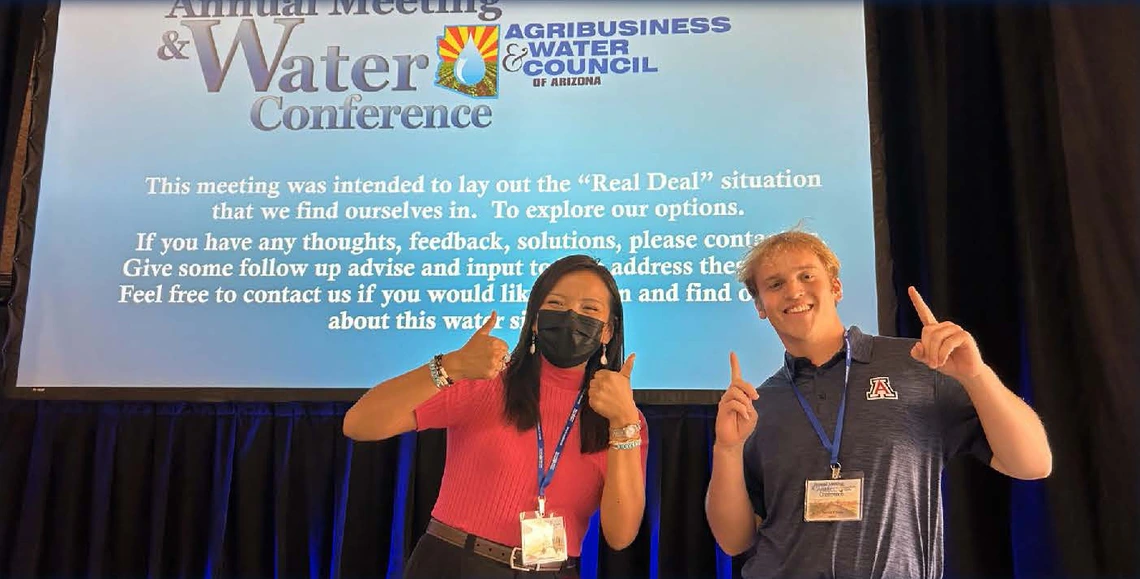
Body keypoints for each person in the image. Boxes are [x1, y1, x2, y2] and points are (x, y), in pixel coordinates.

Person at [705, 230, 1052, 578]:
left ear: (836, 288)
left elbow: (1033, 463)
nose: (794, 291)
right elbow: (735, 541)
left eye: (807, 275)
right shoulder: (759, 405)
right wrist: (727, 449)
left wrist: (976, 375)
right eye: (775, 284)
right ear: (761, 307)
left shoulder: (919, 366)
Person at [344, 254, 648, 578]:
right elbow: (359, 423)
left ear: (608, 331)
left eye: (589, 309)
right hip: (456, 563)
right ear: (534, 320)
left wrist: (623, 422)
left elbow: (621, 535)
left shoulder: (621, 418)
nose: (571, 317)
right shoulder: (487, 381)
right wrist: (450, 367)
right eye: (556, 304)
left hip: (552, 571)